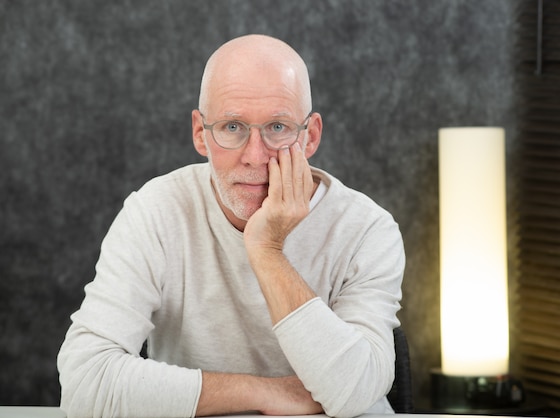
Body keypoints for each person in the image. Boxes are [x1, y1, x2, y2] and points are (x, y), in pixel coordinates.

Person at [57, 34, 405, 418]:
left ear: (311, 136)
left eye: (277, 127)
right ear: (200, 133)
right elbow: (85, 384)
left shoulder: (368, 230)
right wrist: (264, 394)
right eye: (233, 127)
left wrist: (266, 250)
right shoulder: (155, 212)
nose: (255, 156)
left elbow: (355, 394)